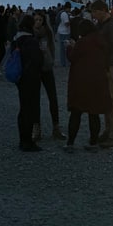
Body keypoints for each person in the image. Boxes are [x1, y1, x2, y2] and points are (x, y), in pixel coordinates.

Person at [63, 18, 111, 152]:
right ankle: (93, 142)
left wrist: (69, 47)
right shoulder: (101, 41)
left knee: (76, 113)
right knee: (93, 113)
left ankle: (70, 143)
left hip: (81, 81)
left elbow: (72, 57)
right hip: (97, 80)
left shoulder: (82, 42)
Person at [91, 0, 113, 149]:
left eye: (95, 11)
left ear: (103, 10)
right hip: (102, 64)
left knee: (111, 99)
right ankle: (108, 129)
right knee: (105, 98)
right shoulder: (101, 25)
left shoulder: (112, 25)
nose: (93, 15)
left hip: (110, 64)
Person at [11, 15, 43, 152]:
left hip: (20, 78)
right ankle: (28, 142)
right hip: (31, 78)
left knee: (23, 108)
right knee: (30, 109)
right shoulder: (31, 41)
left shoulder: (16, 39)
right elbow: (37, 60)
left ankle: (22, 139)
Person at [32, 11, 65, 141]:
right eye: (36, 20)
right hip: (35, 68)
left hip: (46, 67)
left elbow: (52, 47)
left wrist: (51, 60)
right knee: (35, 100)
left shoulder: (48, 32)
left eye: (40, 20)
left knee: (53, 98)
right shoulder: (31, 33)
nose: (38, 22)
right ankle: (36, 129)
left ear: (43, 21)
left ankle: (56, 128)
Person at [55, 3, 72, 67]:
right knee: (65, 48)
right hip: (64, 33)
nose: (70, 10)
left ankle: (64, 62)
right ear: (67, 8)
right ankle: (64, 62)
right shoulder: (64, 14)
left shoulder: (62, 13)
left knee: (63, 48)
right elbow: (67, 24)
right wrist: (72, 21)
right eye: (70, 8)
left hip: (62, 32)